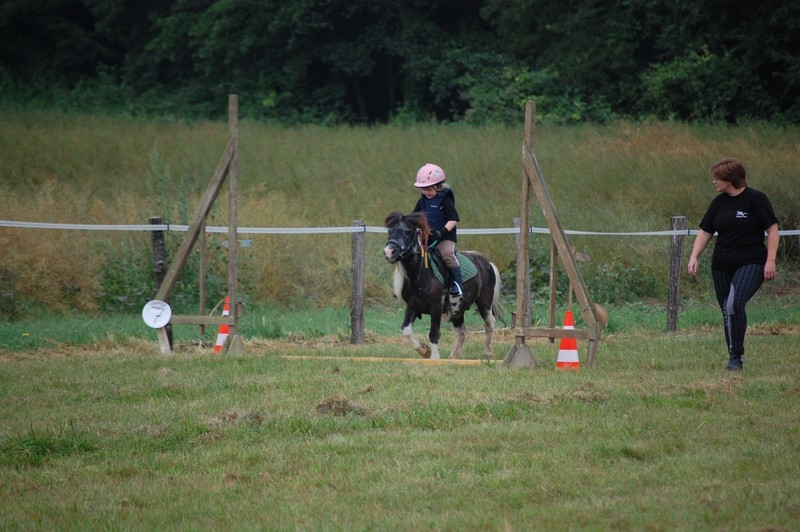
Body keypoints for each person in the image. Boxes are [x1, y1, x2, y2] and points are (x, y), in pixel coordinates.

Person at [687, 157, 779, 371]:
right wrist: (694, 256)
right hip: (721, 264)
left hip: (752, 261)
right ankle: (733, 354)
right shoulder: (718, 203)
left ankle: (736, 356)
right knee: (727, 310)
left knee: (734, 304)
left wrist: (770, 261)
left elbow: (773, 230)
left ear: (730, 179)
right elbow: (705, 232)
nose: (714, 182)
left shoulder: (756, 199)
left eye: (717, 178)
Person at [412, 163, 463, 297]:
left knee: (447, 254)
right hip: (427, 237)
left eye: (429, 189)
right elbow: (414, 216)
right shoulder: (422, 200)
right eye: (423, 190)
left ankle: (457, 284)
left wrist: (441, 232)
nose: (426, 193)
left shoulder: (445, 200)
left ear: (438, 186)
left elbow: (453, 219)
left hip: (444, 237)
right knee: (410, 254)